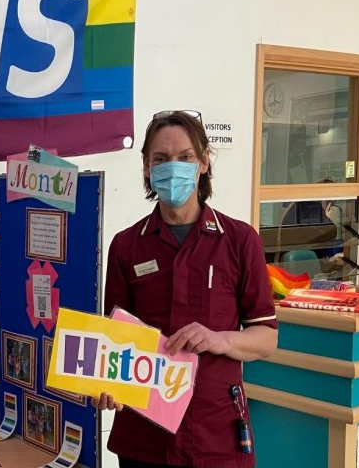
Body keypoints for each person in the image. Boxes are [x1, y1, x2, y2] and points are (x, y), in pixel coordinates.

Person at [98, 110, 278, 468]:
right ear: (146, 168)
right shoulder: (126, 246)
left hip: (215, 433)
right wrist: (107, 385)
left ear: (204, 162)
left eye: (185, 157)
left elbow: (266, 339)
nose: (173, 167)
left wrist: (219, 339)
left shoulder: (239, 241)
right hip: (144, 437)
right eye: (161, 159)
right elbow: (114, 338)